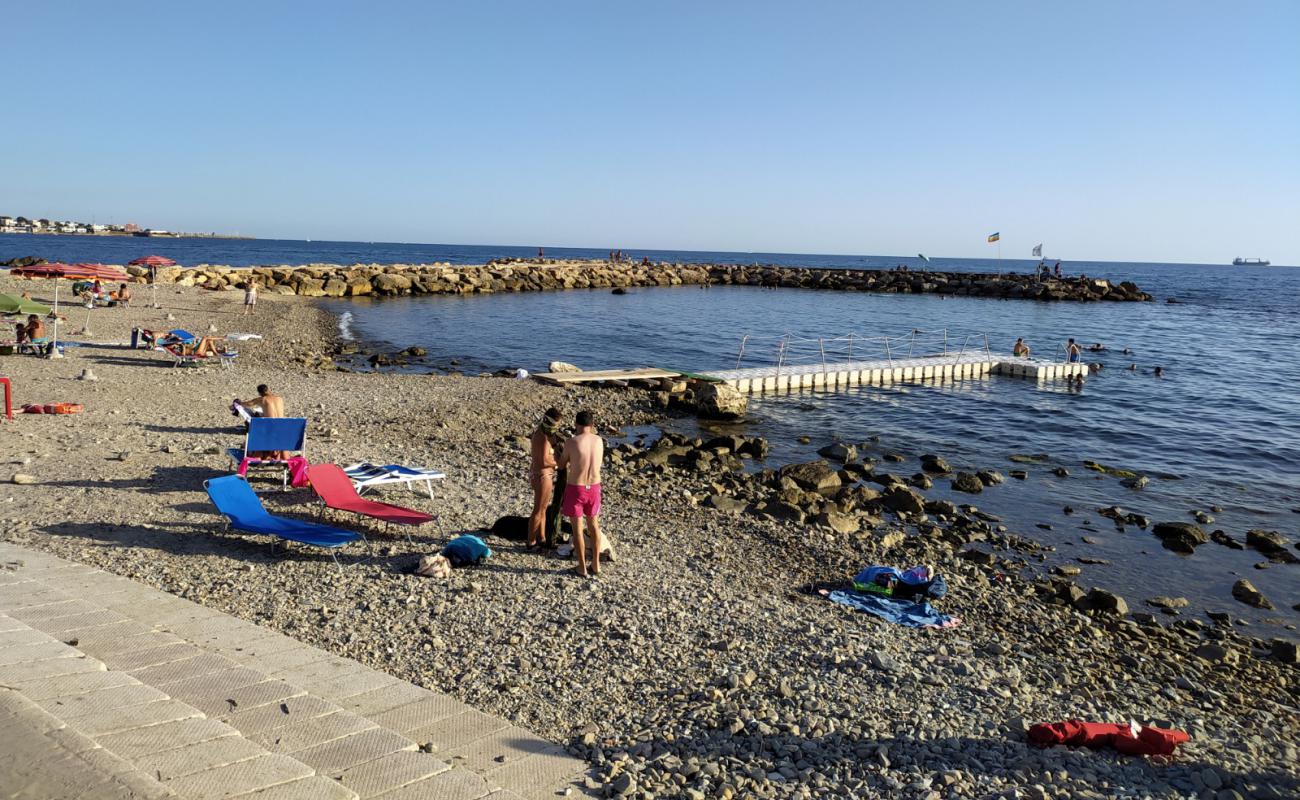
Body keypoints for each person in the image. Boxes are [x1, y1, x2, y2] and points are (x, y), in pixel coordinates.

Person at [557, 409, 604, 577]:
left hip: (576, 487)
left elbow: (561, 465)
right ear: (592, 425)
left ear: (576, 424)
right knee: (594, 526)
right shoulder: (599, 441)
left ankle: (582, 567)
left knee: (578, 529)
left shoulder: (572, 442)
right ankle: (596, 564)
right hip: (595, 487)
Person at [527, 408, 563, 550]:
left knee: (543, 509)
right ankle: (530, 542)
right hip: (542, 475)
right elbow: (543, 460)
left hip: (539, 474)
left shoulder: (541, 433)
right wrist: (559, 462)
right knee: (538, 509)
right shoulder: (542, 437)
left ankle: (541, 537)